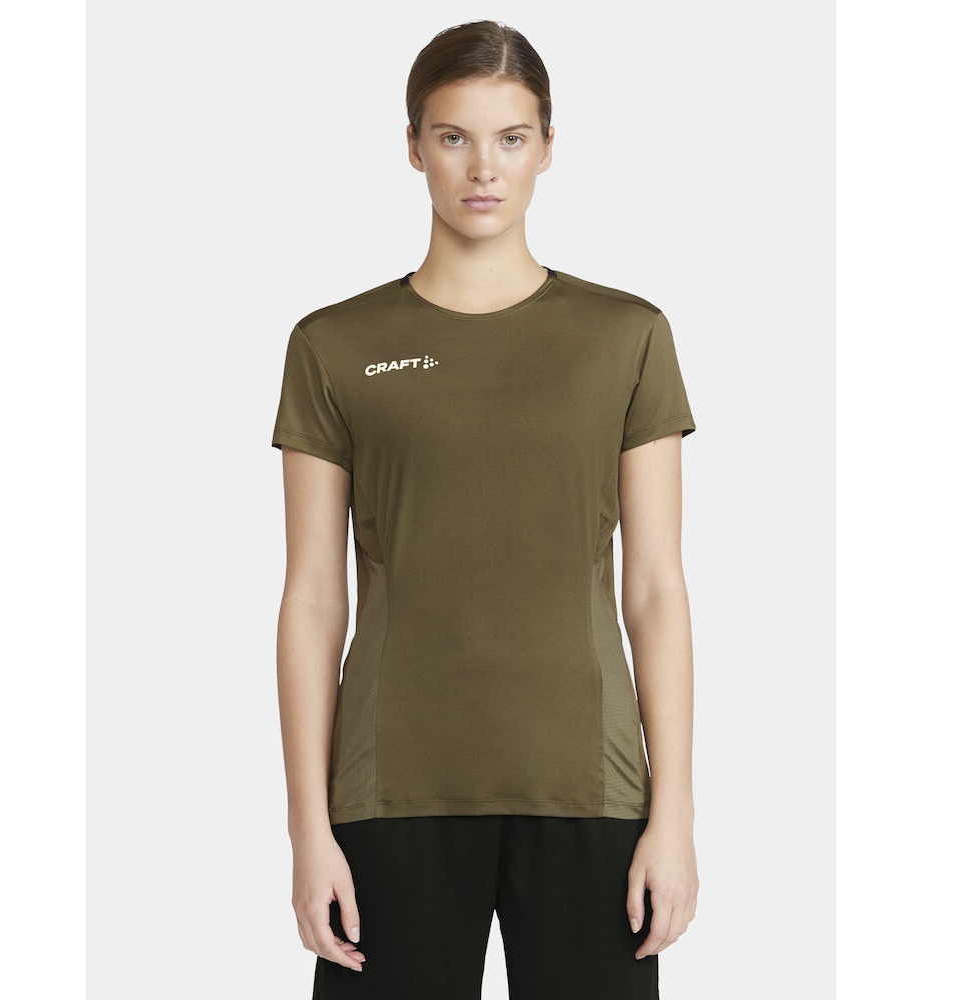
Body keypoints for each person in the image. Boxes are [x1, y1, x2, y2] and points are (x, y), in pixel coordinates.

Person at [271, 19, 699, 999]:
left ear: (547, 147)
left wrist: (672, 815)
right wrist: (307, 831)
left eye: (510, 137)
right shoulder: (334, 345)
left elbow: (656, 589)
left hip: (590, 789)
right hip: (390, 791)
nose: (482, 167)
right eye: (453, 136)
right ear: (413, 145)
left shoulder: (626, 336)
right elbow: (311, 599)